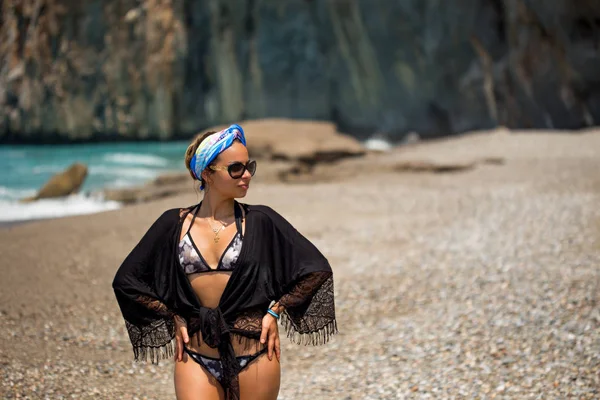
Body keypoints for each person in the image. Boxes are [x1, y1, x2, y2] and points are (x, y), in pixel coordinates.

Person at [112, 124, 337, 400]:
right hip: (195, 357)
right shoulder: (174, 224)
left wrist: (276, 311)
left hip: (255, 354)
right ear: (207, 173)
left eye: (249, 166)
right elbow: (127, 281)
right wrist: (173, 316)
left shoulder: (261, 220)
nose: (246, 175)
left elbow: (316, 269)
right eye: (235, 168)